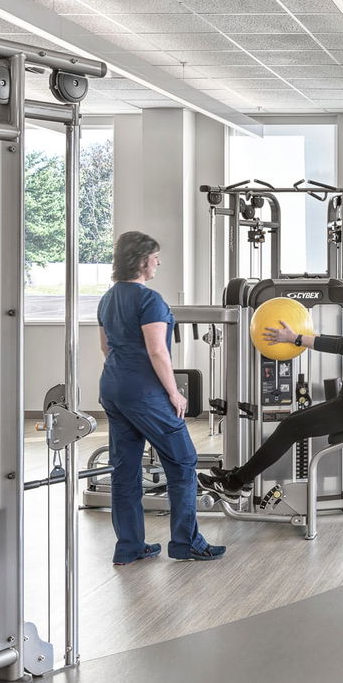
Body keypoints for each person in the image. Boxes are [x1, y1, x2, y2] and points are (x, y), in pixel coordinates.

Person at [199, 270, 343, 497]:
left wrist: (296, 338)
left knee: (289, 427)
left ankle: (235, 483)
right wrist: (302, 335)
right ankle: (239, 477)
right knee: (292, 423)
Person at [97, 231, 225, 564]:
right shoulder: (149, 300)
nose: (157, 263)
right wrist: (173, 392)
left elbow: (105, 347)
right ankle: (186, 543)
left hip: (113, 387)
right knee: (183, 462)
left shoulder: (107, 298)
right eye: (154, 257)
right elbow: (157, 351)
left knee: (124, 471)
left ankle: (129, 547)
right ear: (141, 261)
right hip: (145, 392)